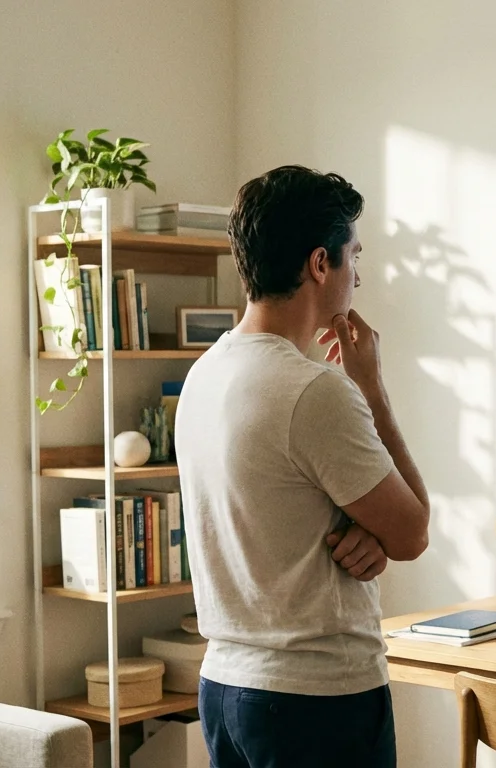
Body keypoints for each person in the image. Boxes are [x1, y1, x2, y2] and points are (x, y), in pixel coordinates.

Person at [175, 165, 430, 767]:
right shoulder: (316, 392)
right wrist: (372, 388)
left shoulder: (204, 374)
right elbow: (414, 532)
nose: (358, 276)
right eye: (353, 257)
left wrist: (371, 533)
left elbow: (281, 509)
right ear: (320, 264)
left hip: (225, 690)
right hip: (315, 701)